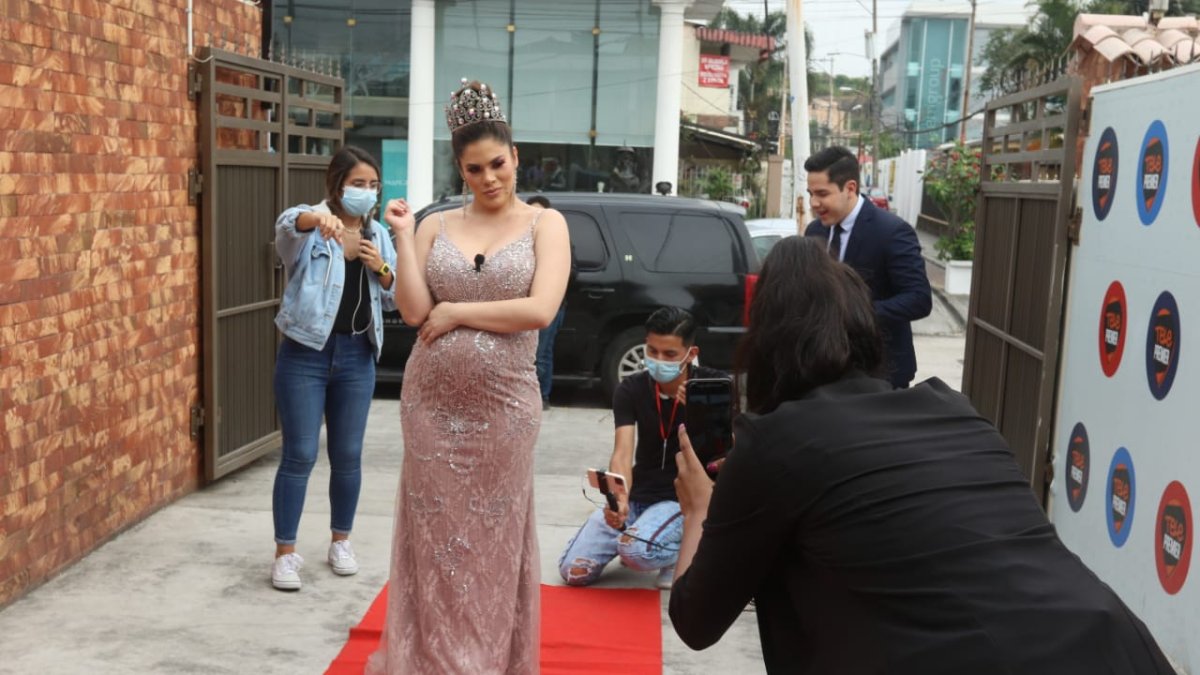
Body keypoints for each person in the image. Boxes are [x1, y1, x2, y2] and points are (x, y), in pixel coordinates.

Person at [667, 236, 1176, 674]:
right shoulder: (950, 407)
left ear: (765, 342)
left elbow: (696, 620)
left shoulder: (774, 441)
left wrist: (698, 509)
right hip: (1114, 645)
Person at [366, 80, 571, 674]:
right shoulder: (434, 224)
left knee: (492, 541)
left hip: (505, 411)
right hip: (429, 407)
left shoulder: (544, 226)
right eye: (474, 168)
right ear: (460, 169)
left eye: (498, 164)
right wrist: (403, 239)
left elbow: (539, 310)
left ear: (516, 158)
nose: (489, 178)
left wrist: (457, 312)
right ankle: (430, 661)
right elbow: (410, 309)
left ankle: (483, 662)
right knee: (432, 542)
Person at [269, 146, 398, 591]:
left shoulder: (378, 235)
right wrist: (314, 219)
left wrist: (378, 265)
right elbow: (285, 229)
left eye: (372, 185)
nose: (365, 192)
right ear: (337, 184)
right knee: (300, 454)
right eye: (357, 184)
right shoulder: (312, 226)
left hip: (357, 356)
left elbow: (393, 292)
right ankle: (285, 552)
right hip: (305, 354)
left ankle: (340, 540)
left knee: (347, 455)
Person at [558, 307, 725, 591]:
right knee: (573, 571)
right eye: (652, 350)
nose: (658, 361)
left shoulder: (713, 387)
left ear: (691, 353)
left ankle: (681, 550)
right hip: (640, 495)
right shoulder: (632, 388)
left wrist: (700, 416)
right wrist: (619, 498)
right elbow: (623, 452)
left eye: (669, 354)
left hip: (682, 500)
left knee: (634, 552)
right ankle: (643, 537)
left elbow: (722, 460)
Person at [803, 145, 931, 388]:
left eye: (822, 193)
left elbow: (919, 299)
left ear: (850, 188)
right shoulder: (814, 231)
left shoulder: (892, 232)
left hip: (881, 373)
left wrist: (854, 314)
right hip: (824, 369)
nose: (814, 203)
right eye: (810, 193)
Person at [527, 194, 565, 409]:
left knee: (541, 353)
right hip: (522, 306)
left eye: (539, 212)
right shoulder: (521, 238)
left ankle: (542, 395)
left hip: (551, 306)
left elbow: (570, 271)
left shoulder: (556, 237)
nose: (536, 216)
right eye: (532, 211)